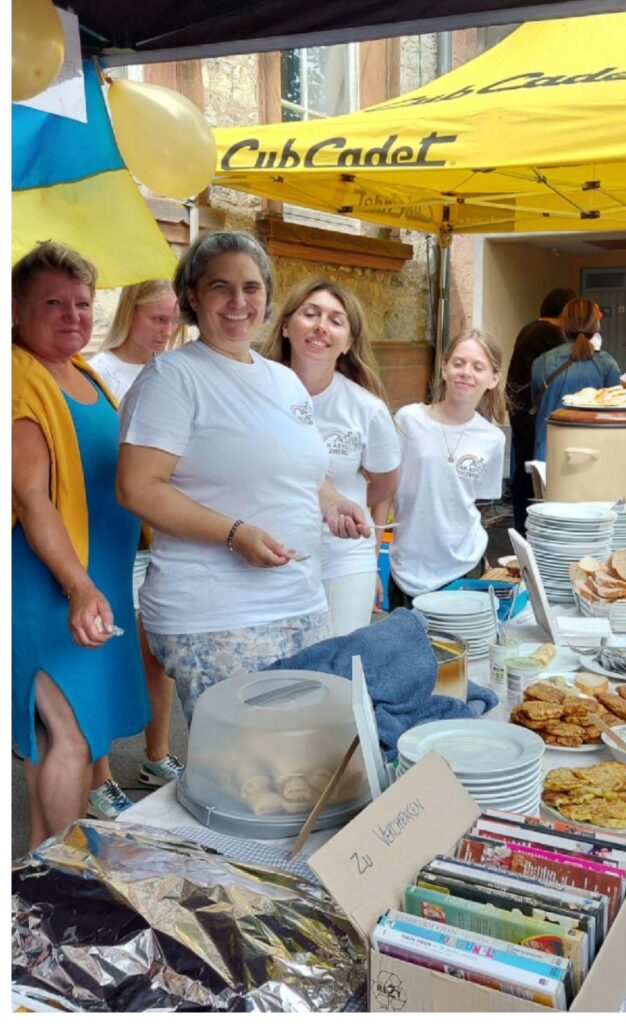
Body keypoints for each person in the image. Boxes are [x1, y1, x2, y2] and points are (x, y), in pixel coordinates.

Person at [116, 231, 371, 724]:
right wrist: (234, 534)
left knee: (303, 755)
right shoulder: (173, 378)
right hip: (216, 613)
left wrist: (333, 501)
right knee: (250, 766)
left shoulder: (282, 378)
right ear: (192, 295)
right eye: (220, 287)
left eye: (251, 288)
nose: (239, 302)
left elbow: (300, 470)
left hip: (301, 601)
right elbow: (136, 486)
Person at [11, 241, 151, 850]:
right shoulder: (18, 378)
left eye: (82, 304)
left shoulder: (82, 371)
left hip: (93, 580)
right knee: (68, 733)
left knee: (55, 736)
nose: (73, 315)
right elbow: (30, 498)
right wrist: (79, 585)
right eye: (54, 303)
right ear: (16, 309)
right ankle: (55, 868)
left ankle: (39, 868)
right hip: (43, 585)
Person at [85, 282, 185, 820]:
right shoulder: (98, 372)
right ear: (130, 315)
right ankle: (98, 773)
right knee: (105, 648)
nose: (166, 331)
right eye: (156, 319)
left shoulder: (172, 372)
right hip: (110, 530)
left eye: (172, 320)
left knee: (157, 651)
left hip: (159, 531)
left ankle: (157, 754)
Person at [261, 278, 400, 634]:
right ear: (286, 326)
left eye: (336, 321)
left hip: (342, 557)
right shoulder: (256, 394)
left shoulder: (366, 408)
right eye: (310, 314)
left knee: (338, 668)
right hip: (268, 555)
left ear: (349, 342)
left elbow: (383, 486)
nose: (322, 326)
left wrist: (370, 558)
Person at [387, 330, 507, 608]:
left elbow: (478, 502)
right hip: (408, 565)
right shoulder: (408, 419)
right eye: (458, 363)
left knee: (461, 649)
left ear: (493, 378)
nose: (466, 372)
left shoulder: (493, 438)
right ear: (444, 368)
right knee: (405, 649)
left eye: (478, 367)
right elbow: (385, 489)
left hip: (463, 563)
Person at [505, 288, 574, 535]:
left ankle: (522, 524)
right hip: (533, 413)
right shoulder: (549, 333)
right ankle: (531, 527)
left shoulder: (530, 328)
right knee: (534, 472)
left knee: (523, 470)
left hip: (520, 409)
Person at [531, 297, 621, 461]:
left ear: (563, 326)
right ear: (596, 327)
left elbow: (536, 405)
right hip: (593, 456)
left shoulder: (541, 363)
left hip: (548, 455)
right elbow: (614, 415)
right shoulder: (608, 365)